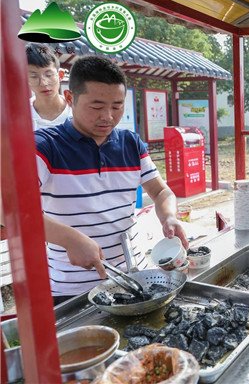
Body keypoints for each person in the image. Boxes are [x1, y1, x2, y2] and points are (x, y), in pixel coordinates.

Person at [35, 56, 188, 305]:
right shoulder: (44, 146)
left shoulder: (130, 143)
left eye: (117, 106)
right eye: (96, 107)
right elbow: (12, 211)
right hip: (72, 291)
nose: (107, 116)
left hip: (133, 279)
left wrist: (169, 216)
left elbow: (161, 192)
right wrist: (69, 239)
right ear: (70, 99)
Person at [26, 43, 72, 130]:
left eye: (48, 75)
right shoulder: (21, 115)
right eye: (34, 76)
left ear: (60, 75)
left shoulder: (77, 111)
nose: (43, 83)